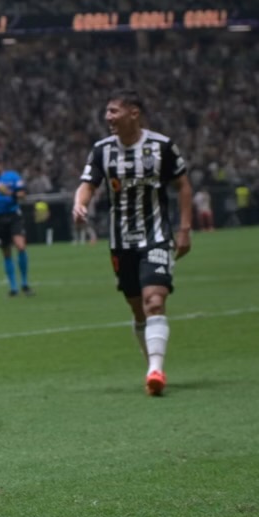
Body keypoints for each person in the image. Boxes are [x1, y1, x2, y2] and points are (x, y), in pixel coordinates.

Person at [74, 90, 192, 397]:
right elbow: (87, 184)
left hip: (156, 236)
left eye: (114, 111)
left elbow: (183, 185)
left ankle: (156, 369)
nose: (108, 117)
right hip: (121, 241)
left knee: (155, 301)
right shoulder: (101, 150)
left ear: (134, 113)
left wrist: (185, 230)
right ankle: (151, 362)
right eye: (107, 112)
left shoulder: (162, 146)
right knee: (137, 308)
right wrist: (80, 204)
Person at [0, 161, 33, 296]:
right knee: (6, 251)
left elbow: (23, 194)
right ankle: (13, 287)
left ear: (1, 166)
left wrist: (9, 193)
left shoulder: (12, 176)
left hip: (14, 215)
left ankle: (25, 283)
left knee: (20, 246)